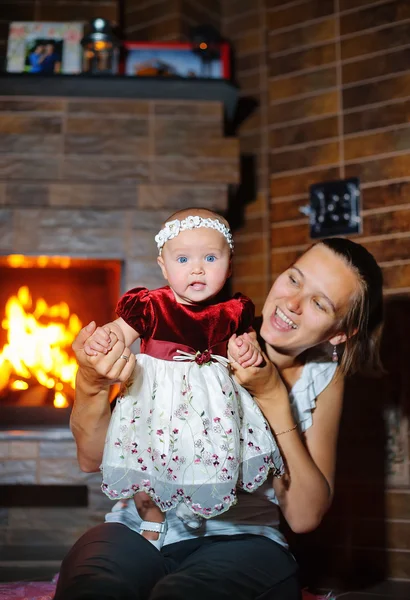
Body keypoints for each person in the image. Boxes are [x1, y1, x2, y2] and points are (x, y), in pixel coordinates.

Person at [54, 236, 384, 600]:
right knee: (94, 589)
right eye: (294, 279)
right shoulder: (204, 337)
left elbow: (304, 516)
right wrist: (91, 382)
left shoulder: (321, 374)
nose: (292, 304)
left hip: (243, 539)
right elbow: (91, 458)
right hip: (142, 529)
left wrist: (273, 396)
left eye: (319, 303)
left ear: (340, 333)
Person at [82, 208, 283, 548]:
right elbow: (118, 330)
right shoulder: (151, 305)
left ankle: (203, 507)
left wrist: (246, 348)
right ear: (163, 265)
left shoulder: (234, 310)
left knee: (211, 453)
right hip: (156, 404)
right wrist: (105, 337)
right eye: (183, 259)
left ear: (229, 265)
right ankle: (153, 518)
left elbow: (246, 342)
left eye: (210, 257)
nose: (197, 268)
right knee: (146, 458)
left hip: (212, 409)